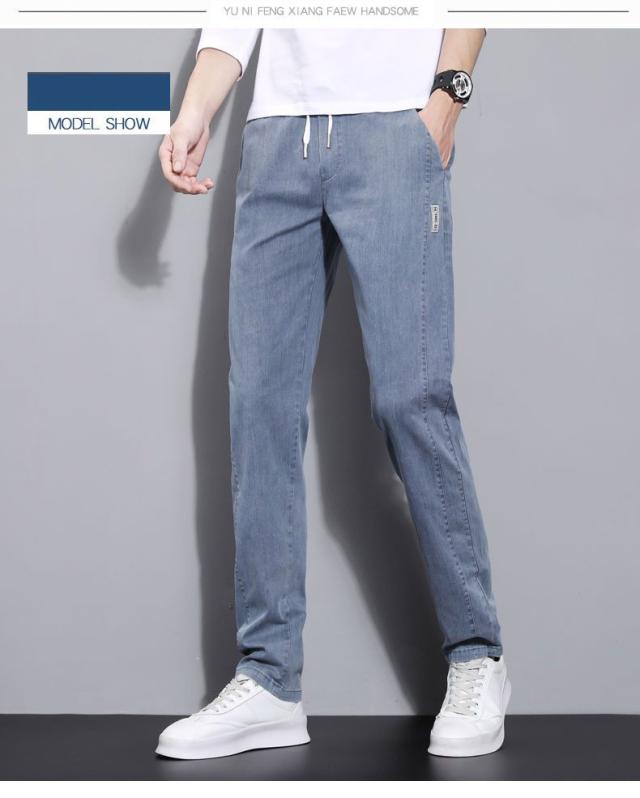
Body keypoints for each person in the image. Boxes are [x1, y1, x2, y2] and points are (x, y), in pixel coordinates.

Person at [156, 27, 510, 761]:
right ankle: (270, 679)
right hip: (276, 137)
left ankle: (478, 655)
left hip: (395, 126)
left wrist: (446, 101)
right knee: (259, 406)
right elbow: (234, 16)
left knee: (410, 398)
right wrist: (195, 111)